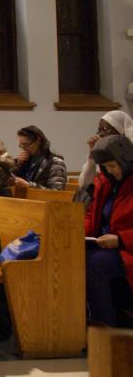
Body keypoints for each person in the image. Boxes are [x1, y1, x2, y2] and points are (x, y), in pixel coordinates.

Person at [84, 135, 133, 326]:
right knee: (73, 256)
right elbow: (93, 215)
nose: (110, 171)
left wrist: (120, 240)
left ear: (126, 159)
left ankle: (103, 326)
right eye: (106, 167)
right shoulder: (106, 184)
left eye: (113, 165)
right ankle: (74, 325)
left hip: (126, 248)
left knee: (95, 262)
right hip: (108, 245)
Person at [79, 111, 133, 191]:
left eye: (104, 129)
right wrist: (92, 155)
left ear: (121, 132)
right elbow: (84, 184)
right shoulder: (103, 155)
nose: (100, 134)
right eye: (99, 131)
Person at [13, 126, 67, 191]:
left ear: (38, 141)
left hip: (42, 200)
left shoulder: (55, 162)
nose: (24, 148)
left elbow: (57, 192)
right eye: (21, 145)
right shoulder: (24, 159)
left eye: (26, 144)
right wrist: (18, 164)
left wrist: (30, 186)